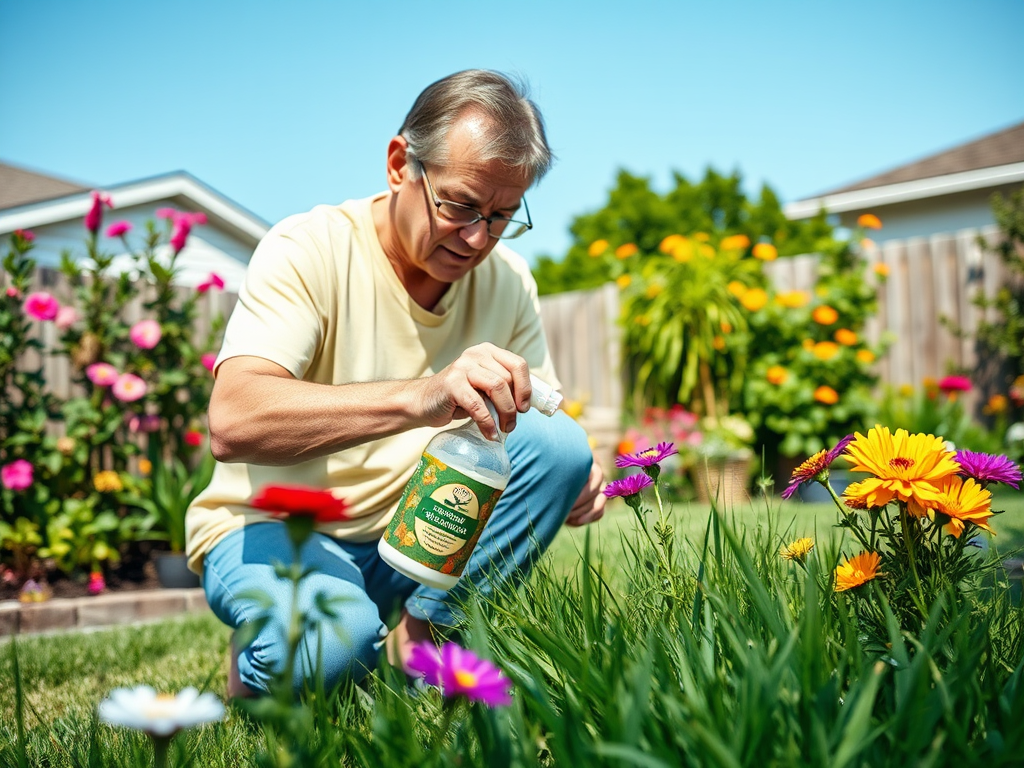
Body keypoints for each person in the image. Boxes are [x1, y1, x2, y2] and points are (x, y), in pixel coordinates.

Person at [186, 69, 605, 697]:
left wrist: (582, 474)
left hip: (413, 536)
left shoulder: (509, 280)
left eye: (500, 216)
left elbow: (543, 426)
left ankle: (424, 642)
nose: (477, 238)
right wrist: (423, 395)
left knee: (562, 445)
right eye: (460, 205)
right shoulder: (309, 248)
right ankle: (269, 655)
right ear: (399, 164)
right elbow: (234, 420)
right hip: (278, 530)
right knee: (330, 648)